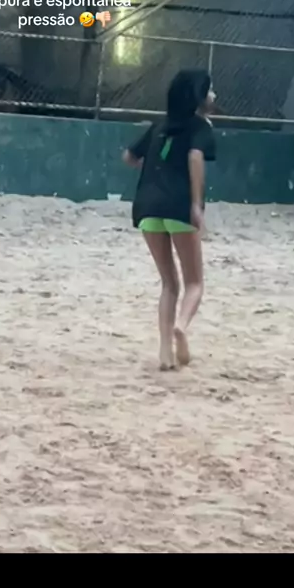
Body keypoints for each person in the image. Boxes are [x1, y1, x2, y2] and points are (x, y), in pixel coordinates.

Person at [123, 69, 216, 370]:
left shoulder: (158, 125)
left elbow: (129, 157)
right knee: (194, 283)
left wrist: (153, 168)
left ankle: (165, 352)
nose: (214, 96)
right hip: (179, 207)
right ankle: (182, 327)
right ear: (200, 98)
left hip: (147, 207)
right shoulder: (200, 127)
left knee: (168, 284)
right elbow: (195, 158)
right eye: (210, 91)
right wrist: (196, 204)